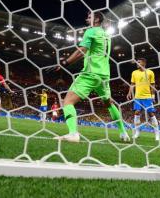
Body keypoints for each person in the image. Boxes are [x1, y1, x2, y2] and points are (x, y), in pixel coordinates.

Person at [55, 11, 129, 142]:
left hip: (90, 73)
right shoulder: (107, 35)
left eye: (90, 17)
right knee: (108, 103)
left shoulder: (91, 31)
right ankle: (123, 132)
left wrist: (65, 62)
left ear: (97, 20)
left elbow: (81, 50)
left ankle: (73, 134)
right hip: (104, 75)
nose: (87, 19)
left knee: (67, 101)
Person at [127, 58, 160, 141]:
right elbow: (132, 84)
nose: (137, 63)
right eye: (137, 62)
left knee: (151, 113)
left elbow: (152, 85)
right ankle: (137, 132)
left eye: (139, 62)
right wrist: (129, 93)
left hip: (147, 97)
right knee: (137, 112)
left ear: (144, 63)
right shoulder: (134, 73)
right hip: (138, 97)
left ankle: (157, 134)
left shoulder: (150, 72)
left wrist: (153, 96)